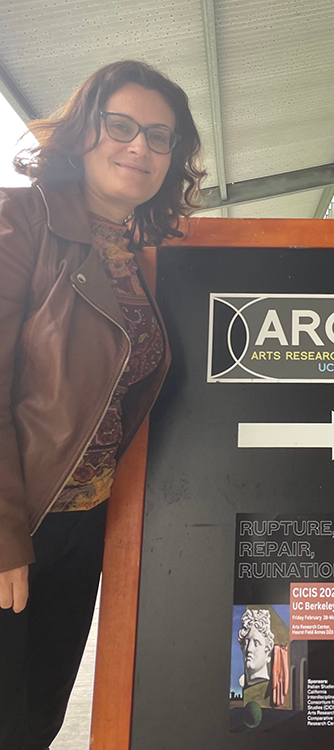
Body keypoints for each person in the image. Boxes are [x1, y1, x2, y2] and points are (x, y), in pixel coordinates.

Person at [0, 60, 205, 750]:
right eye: (120, 126)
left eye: (159, 136)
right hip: (17, 520)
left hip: (85, 527)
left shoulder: (144, 255)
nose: (139, 147)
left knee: (37, 721)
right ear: (84, 130)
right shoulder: (20, 218)